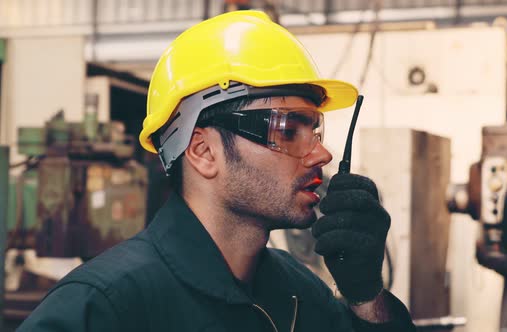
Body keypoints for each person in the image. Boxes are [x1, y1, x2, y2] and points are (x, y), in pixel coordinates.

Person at [19, 10, 415, 331]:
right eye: (287, 129)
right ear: (204, 152)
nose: (321, 154)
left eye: (315, 129)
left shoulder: (297, 293)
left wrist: (365, 296)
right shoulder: (105, 307)